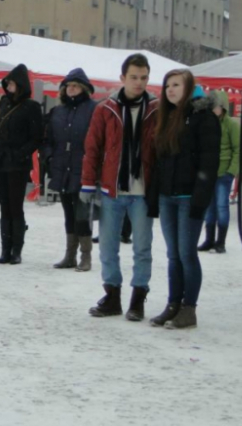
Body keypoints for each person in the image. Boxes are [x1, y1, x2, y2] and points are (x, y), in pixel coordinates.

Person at [80, 54, 158, 320]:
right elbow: (92, 148)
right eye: (134, 77)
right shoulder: (105, 109)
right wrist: (88, 183)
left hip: (143, 193)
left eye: (144, 78)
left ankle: (138, 299)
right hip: (112, 191)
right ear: (122, 78)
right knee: (108, 247)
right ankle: (112, 296)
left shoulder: (156, 110)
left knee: (142, 248)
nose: (139, 83)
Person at [147, 72, 220, 330]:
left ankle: (189, 309)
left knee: (187, 254)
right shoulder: (166, 118)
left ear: (189, 88)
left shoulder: (204, 118)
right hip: (168, 196)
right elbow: (160, 162)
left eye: (176, 85)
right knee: (173, 255)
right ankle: (173, 305)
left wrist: (201, 199)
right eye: (167, 85)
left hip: (190, 198)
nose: (170, 90)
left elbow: (209, 162)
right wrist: (155, 196)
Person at [0, 64, 43, 265]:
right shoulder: (3, 103)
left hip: (18, 162)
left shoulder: (31, 107)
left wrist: (21, 154)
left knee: (15, 206)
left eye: (12, 83)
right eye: (7, 83)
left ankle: (16, 250)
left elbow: (37, 137)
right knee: (4, 206)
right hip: (2, 160)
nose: (9, 86)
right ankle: (5, 248)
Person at [42, 68, 98, 271]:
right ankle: (70, 254)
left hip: (82, 167)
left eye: (75, 86)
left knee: (82, 212)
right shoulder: (58, 111)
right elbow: (48, 139)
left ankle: (85, 255)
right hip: (62, 167)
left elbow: (97, 140)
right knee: (68, 212)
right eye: (68, 86)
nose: (71, 89)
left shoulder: (93, 109)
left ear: (83, 88)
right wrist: (49, 157)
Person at [199, 90, 240, 253]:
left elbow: (237, 150)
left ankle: (220, 242)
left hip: (224, 173)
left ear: (222, 107)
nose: (213, 109)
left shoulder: (231, 125)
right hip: (209, 173)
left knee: (222, 206)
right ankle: (209, 240)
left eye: (215, 106)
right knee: (209, 207)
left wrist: (231, 171)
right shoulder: (206, 123)